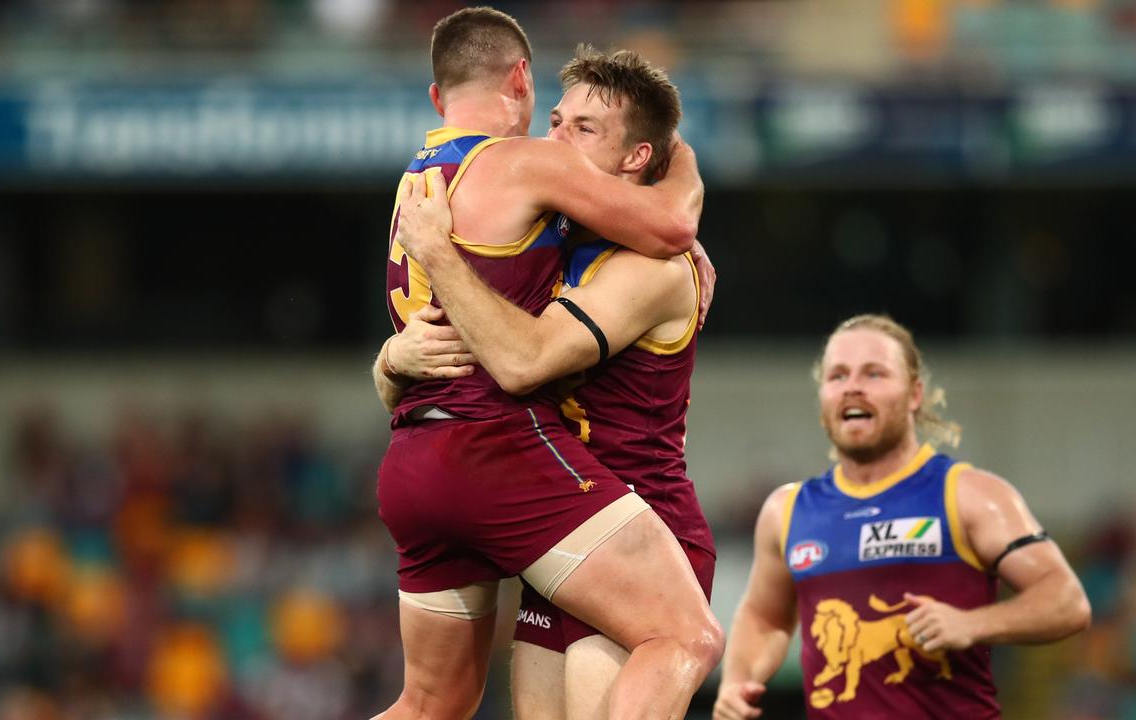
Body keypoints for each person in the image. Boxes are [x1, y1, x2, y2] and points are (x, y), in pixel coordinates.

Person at [373, 8, 722, 720]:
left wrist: (404, 328)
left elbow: (522, 356)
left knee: (432, 704)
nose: (556, 139)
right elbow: (499, 344)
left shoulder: (429, 186)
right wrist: (389, 360)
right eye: (556, 121)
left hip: (612, 511)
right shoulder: (539, 202)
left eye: (581, 129)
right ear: (523, 80)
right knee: (440, 704)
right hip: (549, 504)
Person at [713, 314, 1092, 720]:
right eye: (837, 376)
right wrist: (736, 681)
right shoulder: (786, 512)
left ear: (914, 394)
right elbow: (764, 616)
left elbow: (1067, 601)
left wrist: (973, 624)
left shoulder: (968, 496)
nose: (852, 386)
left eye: (874, 373)